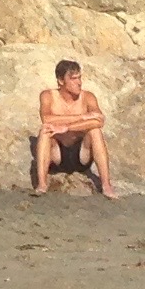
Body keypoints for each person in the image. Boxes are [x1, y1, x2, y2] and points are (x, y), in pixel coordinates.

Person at [31, 59, 112, 196]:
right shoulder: (48, 96)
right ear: (61, 81)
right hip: (58, 155)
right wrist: (82, 117)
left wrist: (67, 128)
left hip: (81, 154)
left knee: (95, 131)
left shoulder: (87, 97)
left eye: (79, 78)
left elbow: (98, 121)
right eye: (73, 79)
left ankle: (106, 185)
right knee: (45, 130)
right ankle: (42, 184)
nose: (79, 82)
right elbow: (46, 119)